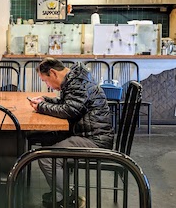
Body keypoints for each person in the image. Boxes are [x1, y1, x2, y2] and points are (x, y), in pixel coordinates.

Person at [27, 57, 114, 208]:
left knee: (46, 158)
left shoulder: (78, 83)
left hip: (94, 139)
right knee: (46, 140)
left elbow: (69, 110)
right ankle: (60, 191)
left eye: (45, 81)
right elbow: (69, 103)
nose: (47, 85)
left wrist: (42, 107)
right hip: (88, 132)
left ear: (53, 73)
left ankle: (67, 199)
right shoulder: (75, 79)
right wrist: (46, 100)